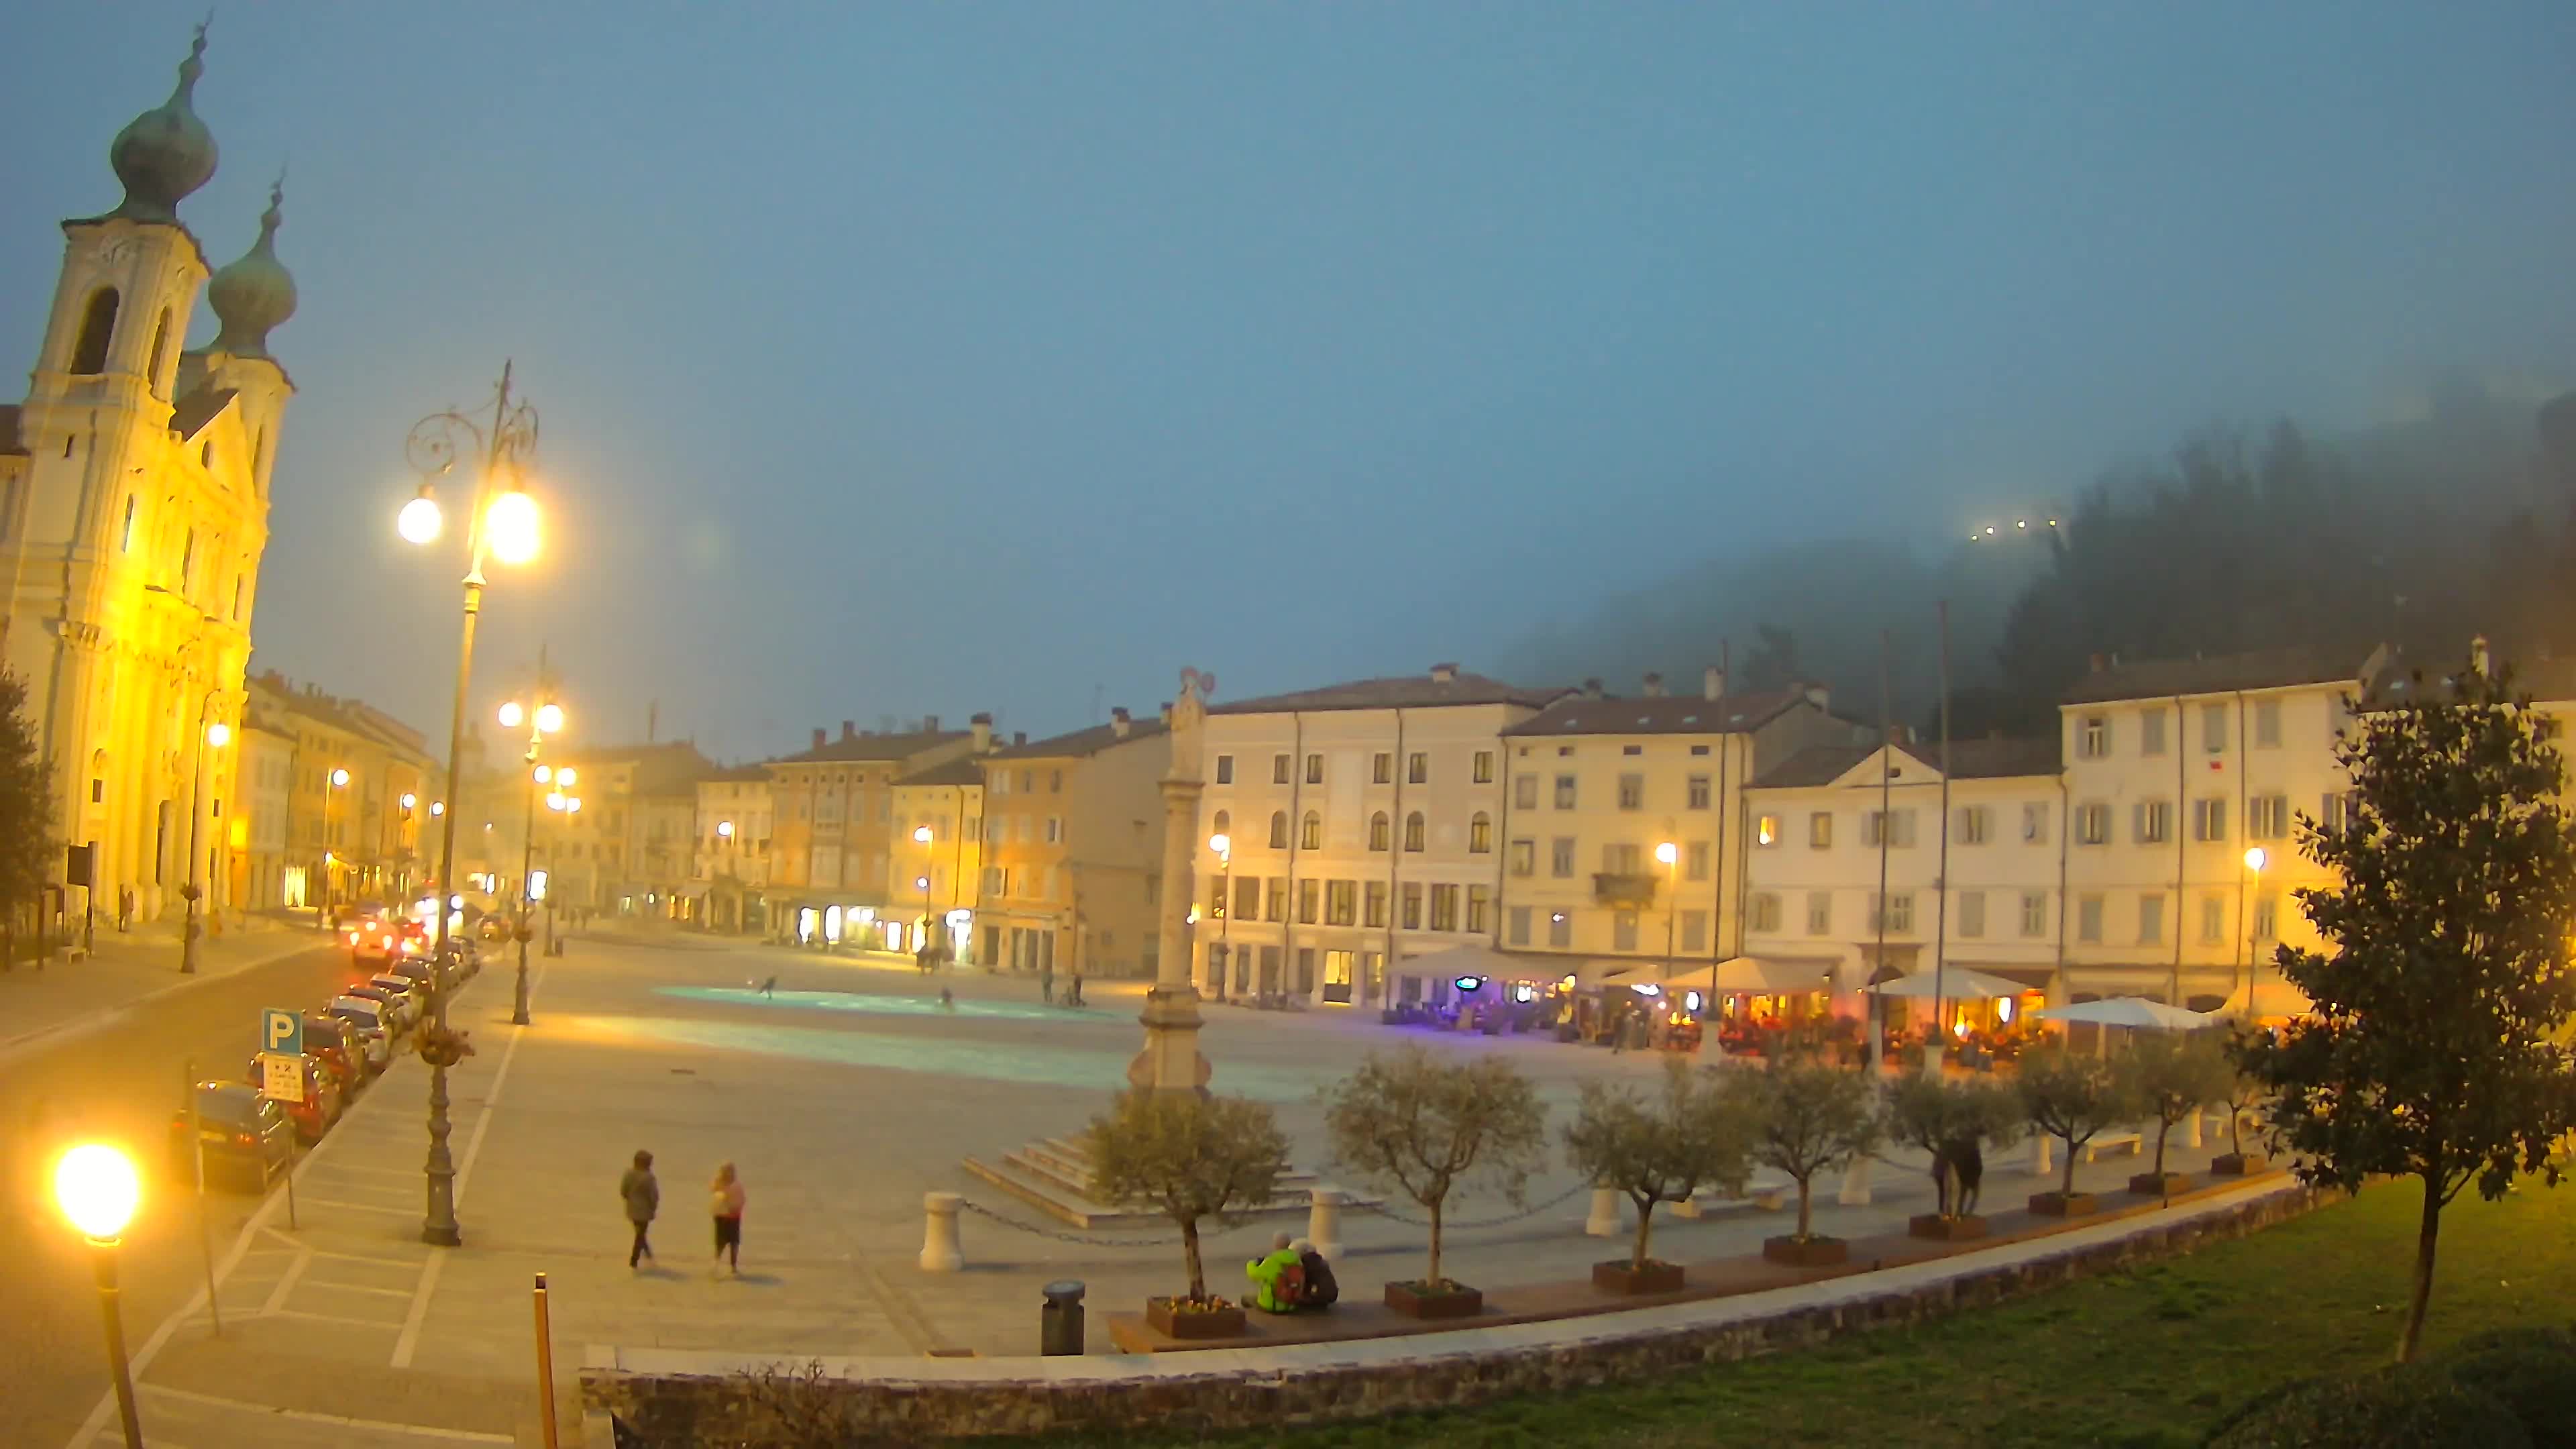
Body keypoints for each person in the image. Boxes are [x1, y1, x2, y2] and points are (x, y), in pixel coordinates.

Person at [1244, 1231, 1305, 1313]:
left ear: (1276, 1245)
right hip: (1291, 1304)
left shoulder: (1272, 1260)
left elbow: (1253, 1274)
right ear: (1289, 1244)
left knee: (1245, 1298)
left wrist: (1252, 1263)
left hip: (1272, 1305)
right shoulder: (1297, 1260)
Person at [621, 1150, 660, 1269]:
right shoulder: (649, 1178)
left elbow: (623, 1191)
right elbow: (653, 1196)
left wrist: (629, 1200)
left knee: (640, 1234)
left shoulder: (628, 1174)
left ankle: (648, 1256)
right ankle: (634, 1261)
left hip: (632, 1209)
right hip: (645, 1212)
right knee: (640, 1235)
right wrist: (653, 1208)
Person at [710, 1162, 746, 1277]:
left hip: (730, 1217)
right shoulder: (722, 1182)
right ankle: (719, 1265)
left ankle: (732, 1267)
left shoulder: (734, 1185)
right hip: (724, 1217)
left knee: (731, 1243)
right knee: (723, 1243)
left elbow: (741, 1201)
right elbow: (713, 1190)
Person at [1293, 1238, 1338, 1309]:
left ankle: (1317, 1301)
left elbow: (1303, 1283)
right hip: (1333, 1295)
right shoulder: (1321, 1261)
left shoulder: (1306, 1264)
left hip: (1321, 1296)